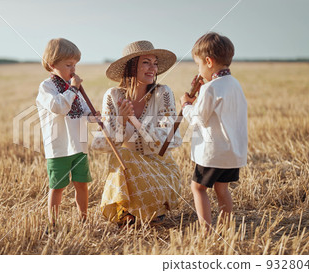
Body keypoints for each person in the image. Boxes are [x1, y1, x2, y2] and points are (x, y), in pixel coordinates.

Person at [92, 40, 182, 227]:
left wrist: (135, 121)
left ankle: (149, 209)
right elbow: (100, 145)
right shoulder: (113, 96)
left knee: (124, 155)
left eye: (155, 63)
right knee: (122, 155)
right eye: (146, 62)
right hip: (128, 170)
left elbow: (170, 140)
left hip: (161, 169)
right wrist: (121, 121)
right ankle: (127, 211)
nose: (153, 68)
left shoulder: (163, 93)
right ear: (132, 67)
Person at [180, 32, 248, 228]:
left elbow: (198, 118)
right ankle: (226, 228)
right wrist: (199, 97)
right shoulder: (234, 85)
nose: (199, 70)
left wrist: (186, 106)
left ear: (208, 62)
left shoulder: (211, 88)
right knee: (222, 188)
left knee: (198, 187)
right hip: (232, 152)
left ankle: (205, 232)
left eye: (198, 65)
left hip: (213, 152)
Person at [36, 38, 99, 227]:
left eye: (75, 65)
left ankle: (83, 218)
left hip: (79, 145)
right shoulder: (46, 88)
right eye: (69, 64)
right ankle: (53, 223)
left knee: (82, 184)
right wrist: (73, 88)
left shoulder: (74, 89)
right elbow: (60, 107)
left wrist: (93, 116)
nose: (74, 69)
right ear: (52, 65)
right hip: (59, 147)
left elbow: (81, 111)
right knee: (58, 186)